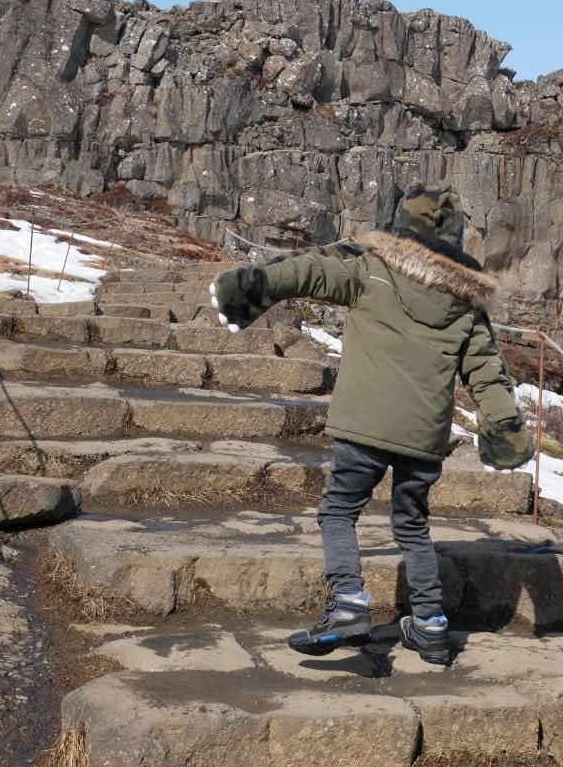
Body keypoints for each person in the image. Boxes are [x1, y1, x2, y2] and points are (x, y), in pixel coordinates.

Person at [209, 180, 533, 665]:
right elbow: (487, 372)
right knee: (413, 527)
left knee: (339, 512)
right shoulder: (468, 305)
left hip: (365, 424)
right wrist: (504, 431)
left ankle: (348, 605)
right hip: (424, 438)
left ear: (401, 226)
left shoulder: (370, 270)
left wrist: (252, 287)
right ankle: (430, 625)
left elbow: (311, 271)